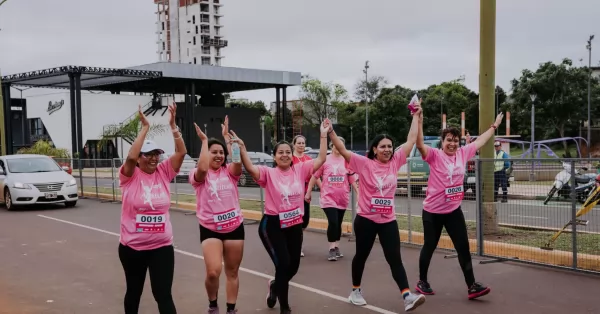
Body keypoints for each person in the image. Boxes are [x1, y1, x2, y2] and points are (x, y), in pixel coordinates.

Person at [328, 104, 426, 312]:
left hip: (388, 220)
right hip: (366, 220)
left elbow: (410, 141)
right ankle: (355, 291)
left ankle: (407, 296)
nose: (387, 150)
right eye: (383, 146)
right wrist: (331, 132)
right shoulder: (364, 164)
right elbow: (343, 150)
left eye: (390, 146)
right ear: (374, 149)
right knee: (361, 256)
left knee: (395, 258)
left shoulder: (396, 161)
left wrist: (415, 116)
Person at [231, 120, 330, 314]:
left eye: (287, 152)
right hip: (273, 225)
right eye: (280, 152)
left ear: (291, 155)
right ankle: (285, 307)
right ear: (274, 157)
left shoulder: (300, 170)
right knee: (283, 264)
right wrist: (242, 149)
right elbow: (251, 168)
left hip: (294, 224)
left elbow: (321, 158)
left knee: (293, 266)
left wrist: (324, 135)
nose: (284, 155)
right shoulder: (269, 173)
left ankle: (275, 285)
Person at [415, 108, 504, 300]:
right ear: (442, 141)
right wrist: (419, 122)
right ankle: (422, 281)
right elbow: (420, 144)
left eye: (456, 140)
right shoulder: (434, 155)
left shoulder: (463, 153)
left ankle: (472, 285)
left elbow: (481, 141)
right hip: (432, 211)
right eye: (449, 140)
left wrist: (494, 126)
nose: (453, 144)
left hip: (453, 211)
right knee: (430, 246)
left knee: (463, 247)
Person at [118, 103, 186, 314]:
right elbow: (130, 157)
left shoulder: (164, 172)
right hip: (133, 248)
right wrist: (145, 128)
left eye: (156, 153)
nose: (154, 158)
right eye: (148, 154)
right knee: (134, 292)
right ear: (140, 158)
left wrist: (173, 126)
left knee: (163, 294)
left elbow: (181, 152)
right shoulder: (129, 175)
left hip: (162, 247)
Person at [189, 116, 244, 314]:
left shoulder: (229, 172)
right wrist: (205, 141)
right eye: (214, 152)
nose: (219, 156)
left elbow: (237, 163)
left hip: (234, 226)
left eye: (221, 153)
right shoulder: (198, 175)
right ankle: (213, 304)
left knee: (232, 271)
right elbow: (202, 168)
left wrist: (227, 139)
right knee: (213, 272)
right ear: (206, 154)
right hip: (210, 228)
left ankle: (231, 308)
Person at [305, 136, 359, 261]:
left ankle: (337, 246)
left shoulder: (347, 161)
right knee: (333, 222)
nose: (337, 147)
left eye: (340, 145)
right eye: (335, 144)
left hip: (342, 197)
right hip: (328, 197)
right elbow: (315, 176)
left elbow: (352, 179)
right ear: (332, 145)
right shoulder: (325, 160)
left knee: (338, 223)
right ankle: (331, 248)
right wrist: (308, 192)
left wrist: (359, 194)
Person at [291, 135, 321, 257]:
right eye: (299, 143)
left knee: (304, 221)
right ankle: (295, 246)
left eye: (303, 143)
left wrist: (322, 187)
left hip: (305, 192)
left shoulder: (308, 159)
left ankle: (296, 242)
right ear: (294, 144)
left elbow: (315, 175)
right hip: (293, 194)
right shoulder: (290, 158)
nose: (301, 145)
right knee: (294, 220)